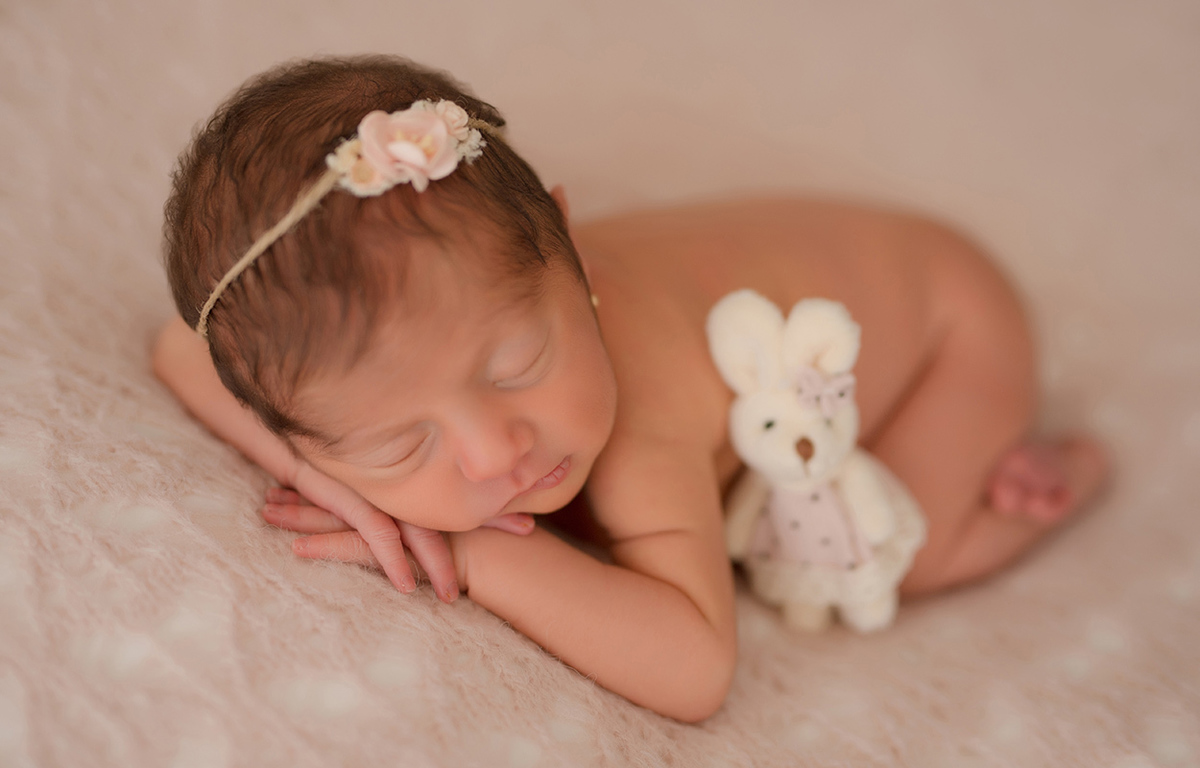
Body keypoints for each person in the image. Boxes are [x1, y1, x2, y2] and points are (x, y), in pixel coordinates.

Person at [152, 55, 1108, 722]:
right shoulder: (356, 371)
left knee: (900, 547)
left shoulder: (642, 419)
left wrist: (473, 551)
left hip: (946, 323)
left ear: (568, 248)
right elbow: (179, 349)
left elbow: (694, 667)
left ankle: (1055, 474)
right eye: (403, 444)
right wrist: (320, 475)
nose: (496, 452)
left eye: (517, 366)